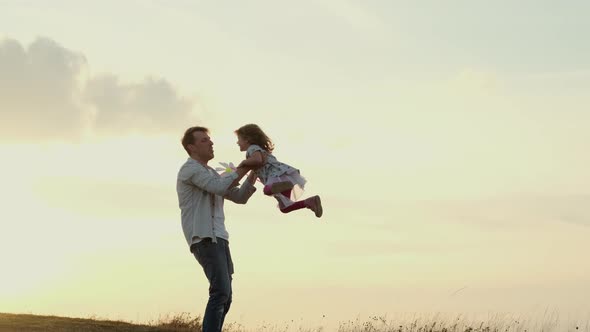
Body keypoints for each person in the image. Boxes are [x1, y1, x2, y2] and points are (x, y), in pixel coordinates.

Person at [176, 126, 258, 332]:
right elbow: (220, 187)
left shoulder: (213, 173)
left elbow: (239, 197)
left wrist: (252, 174)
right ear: (191, 147)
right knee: (220, 291)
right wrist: (246, 164)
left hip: (220, 237)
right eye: (204, 140)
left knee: (226, 295)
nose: (211, 143)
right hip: (203, 237)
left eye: (210, 140)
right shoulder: (190, 169)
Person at [235, 123, 323, 218]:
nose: (237, 142)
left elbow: (258, 160)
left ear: (247, 139)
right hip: (280, 179)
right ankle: (309, 202)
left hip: (275, 176)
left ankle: (284, 185)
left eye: (239, 139)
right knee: (284, 208)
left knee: (267, 190)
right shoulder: (258, 149)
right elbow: (257, 166)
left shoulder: (252, 149)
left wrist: (244, 162)